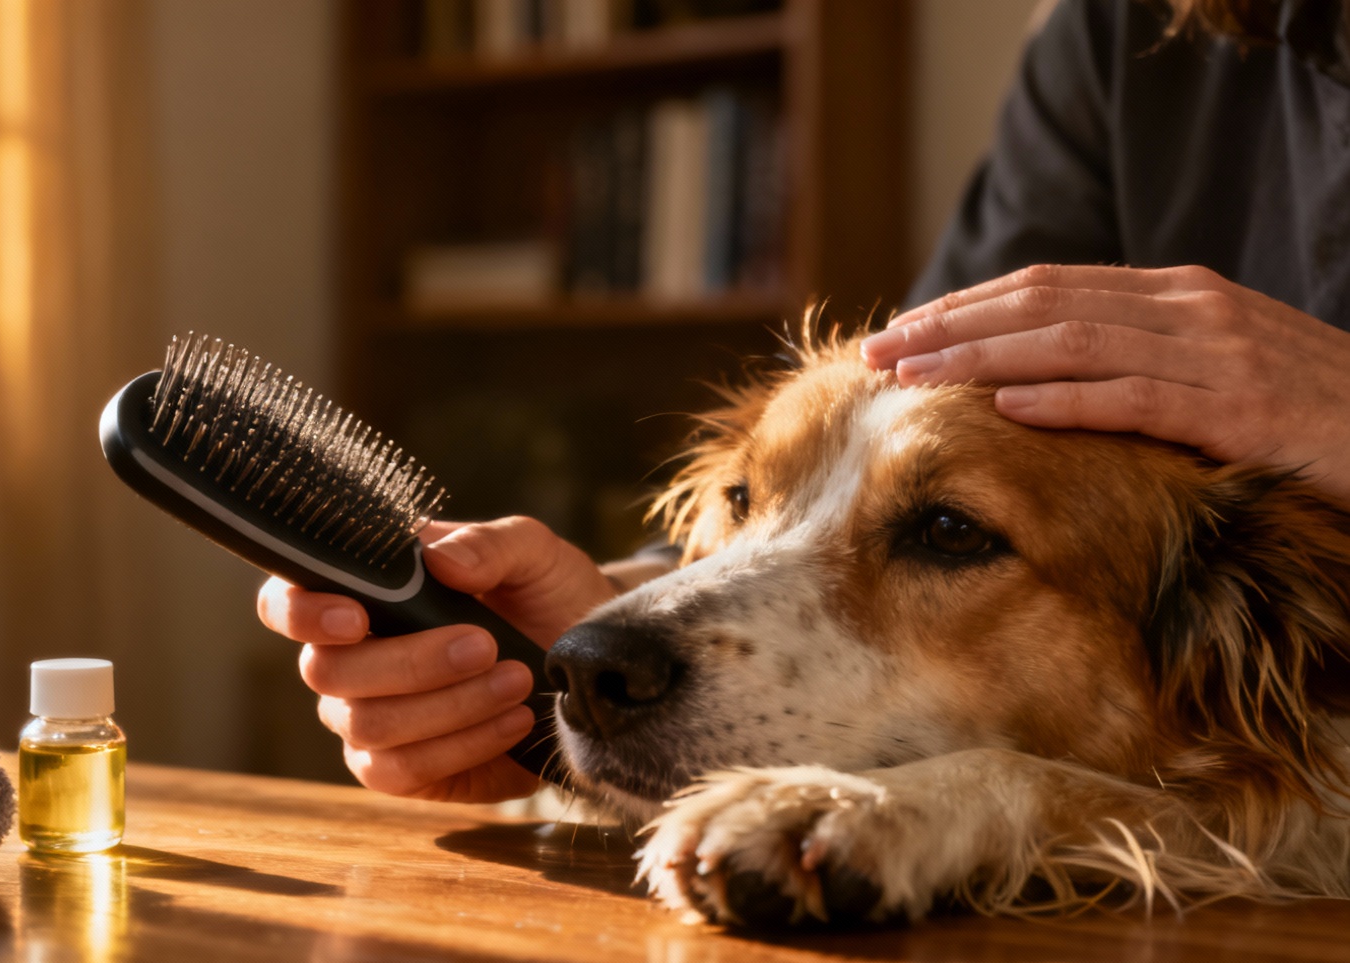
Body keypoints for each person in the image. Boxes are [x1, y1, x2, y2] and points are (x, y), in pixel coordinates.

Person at [258, 0, 1350, 802]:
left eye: (942, 534)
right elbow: (895, 417)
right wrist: (600, 605)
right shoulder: (1130, 27)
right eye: (740, 496)